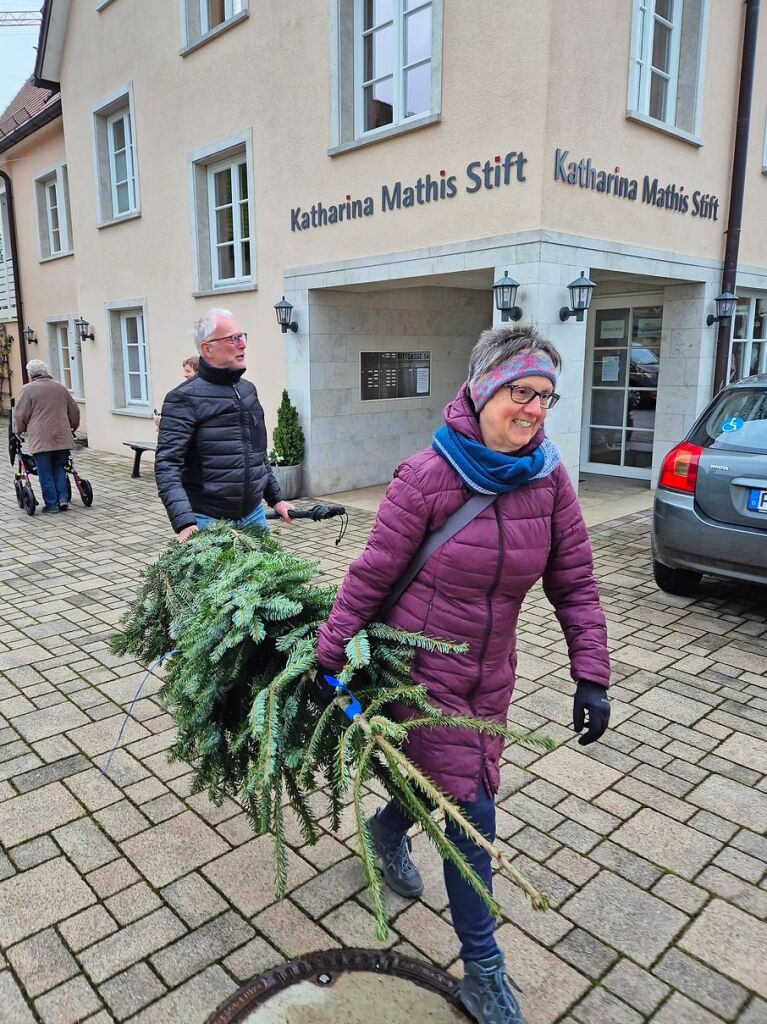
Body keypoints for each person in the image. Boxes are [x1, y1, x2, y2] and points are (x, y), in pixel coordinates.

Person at [316, 324, 610, 1024]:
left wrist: (590, 673)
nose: (534, 409)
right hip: (418, 674)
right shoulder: (427, 477)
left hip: (491, 676)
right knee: (471, 811)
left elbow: (574, 582)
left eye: (545, 395)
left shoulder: (549, 478)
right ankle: (482, 971)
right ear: (481, 390)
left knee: (454, 792)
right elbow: (372, 573)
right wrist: (327, 656)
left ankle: (387, 832)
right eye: (519, 391)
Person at [155, 308, 294, 539]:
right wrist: (184, 522)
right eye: (232, 338)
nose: (242, 344)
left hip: (253, 515)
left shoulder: (247, 390)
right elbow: (167, 464)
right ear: (207, 348)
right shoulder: (183, 398)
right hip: (207, 521)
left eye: (242, 336)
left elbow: (257, 455)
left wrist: (276, 499)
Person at [13, 359, 80, 514]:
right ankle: (63, 499)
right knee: (59, 468)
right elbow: (74, 411)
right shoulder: (60, 388)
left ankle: (51, 505)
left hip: (41, 439)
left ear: (30, 374)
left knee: (45, 472)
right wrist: (73, 427)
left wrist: (18, 431)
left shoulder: (28, 390)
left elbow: (20, 415)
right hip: (62, 438)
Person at [153, 356, 200, 428]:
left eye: (188, 371)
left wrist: (163, 423)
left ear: (197, 372)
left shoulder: (193, 393)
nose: (185, 375)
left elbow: (185, 423)